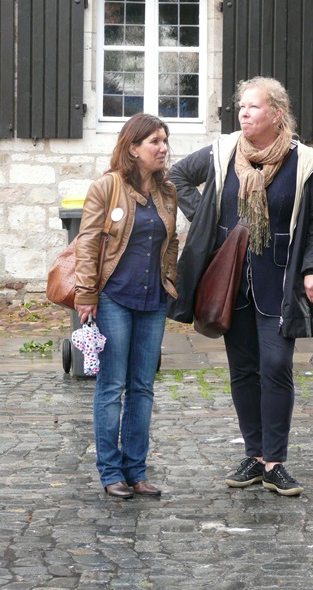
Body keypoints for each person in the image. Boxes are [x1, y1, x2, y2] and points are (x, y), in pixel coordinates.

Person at [167, 76, 313, 496]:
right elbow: (176, 177)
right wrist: (204, 216)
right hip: (230, 281)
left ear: (276, 113)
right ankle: (255, 456)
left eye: (253, 106)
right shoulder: (224, 151)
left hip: (280, 281)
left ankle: (275, 462)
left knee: (275, 366)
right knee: (242, 370)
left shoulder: (305, 162)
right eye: (241, 106)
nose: (243, 113)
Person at [74, 113, 178, 499]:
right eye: (154, 141)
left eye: (164, 140)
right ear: (133, 148)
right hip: (113, 298)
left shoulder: (167, 191)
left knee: (142, 387)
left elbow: (171, 242)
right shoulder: (107, 187)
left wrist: (171, 283)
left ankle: (136, 471)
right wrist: (86, 293)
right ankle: (110, 472)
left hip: (153, 302)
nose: (163, 148)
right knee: (112, 385)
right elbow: (87, 242)